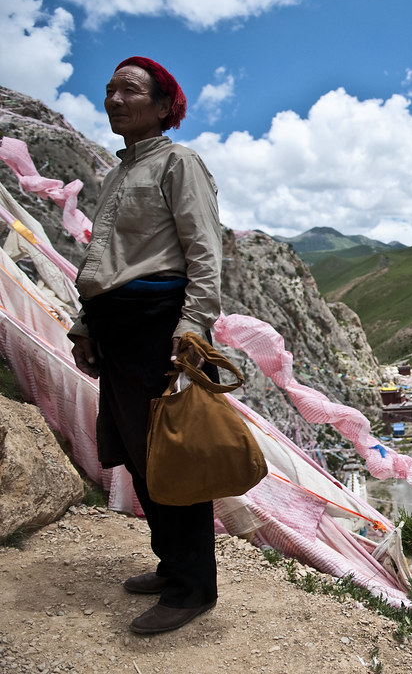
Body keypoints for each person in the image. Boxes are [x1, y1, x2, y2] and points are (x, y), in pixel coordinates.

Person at [68, 56, 223, 635]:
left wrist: (191, 330)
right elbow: (104, 262)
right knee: (137, 451)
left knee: (172, 453)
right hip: (118, 329)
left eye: (128, 90)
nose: (113, 98)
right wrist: (88, 327)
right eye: (108, 89)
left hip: (161, 327)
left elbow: (204, 252)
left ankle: (192, 590)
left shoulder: (178, 163)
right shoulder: (117, 174)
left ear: (163, 106)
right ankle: (171, 564)